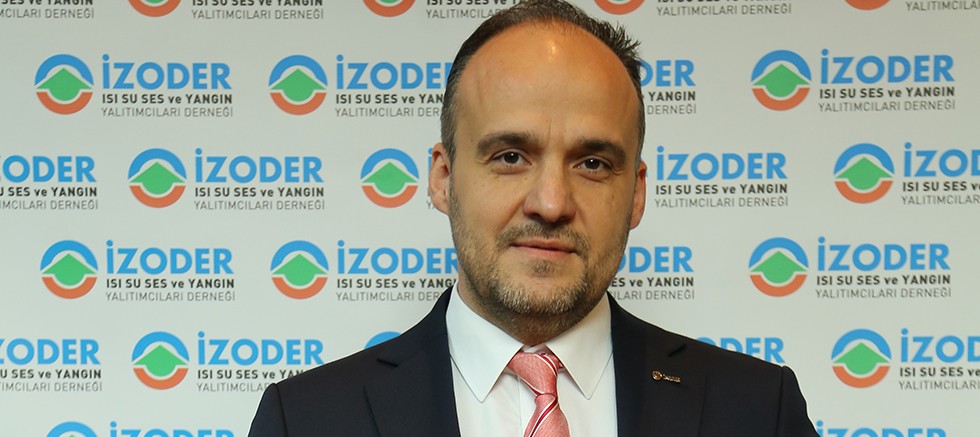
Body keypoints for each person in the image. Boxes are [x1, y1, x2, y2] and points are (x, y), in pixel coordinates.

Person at [248, 1, 819, 435]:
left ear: (637, 193)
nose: (551, 202)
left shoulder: (757, 410)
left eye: (593, 163)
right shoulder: (306, 420)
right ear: (443, 178)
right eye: (510, 157)